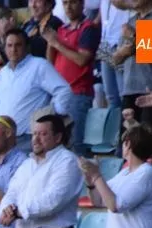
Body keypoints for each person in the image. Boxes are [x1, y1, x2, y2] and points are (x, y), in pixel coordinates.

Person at [0, 114, 83, 228]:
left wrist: (17, 212)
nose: (35, 139)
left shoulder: (67, 161)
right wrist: (5, 209)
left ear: (58, 137)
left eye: (43, 134)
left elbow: (52, 201)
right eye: (34, 134)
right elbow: (11, 193)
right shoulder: (28, 164)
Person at [79, 125, 152, 228]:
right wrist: (91, 182)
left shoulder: (146, 173)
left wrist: (97, 175)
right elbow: (99, 201)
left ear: (128, 144)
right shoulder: (124, 173)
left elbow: (116, 205)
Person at [0, 28, 72, 152]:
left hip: (31, 138)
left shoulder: (39, 65)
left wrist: (52, 114)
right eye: (9, 45)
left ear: (27, 47)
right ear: (4, 48)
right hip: (7, 140)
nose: (13, 50)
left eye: (18, 45)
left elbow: (63, 90)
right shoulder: (4, 72)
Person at [44, 0, 99, 154]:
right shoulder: (61, 29)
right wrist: (51, 43)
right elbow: (49, 62)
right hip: (60, 94)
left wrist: (57, 43)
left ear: (82, 4)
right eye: (65, 3)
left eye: (73, 2)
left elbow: (82, 60)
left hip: (78, 92)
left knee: (76, 143)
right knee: (57, 145)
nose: (68, 7)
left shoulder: (88, 28)